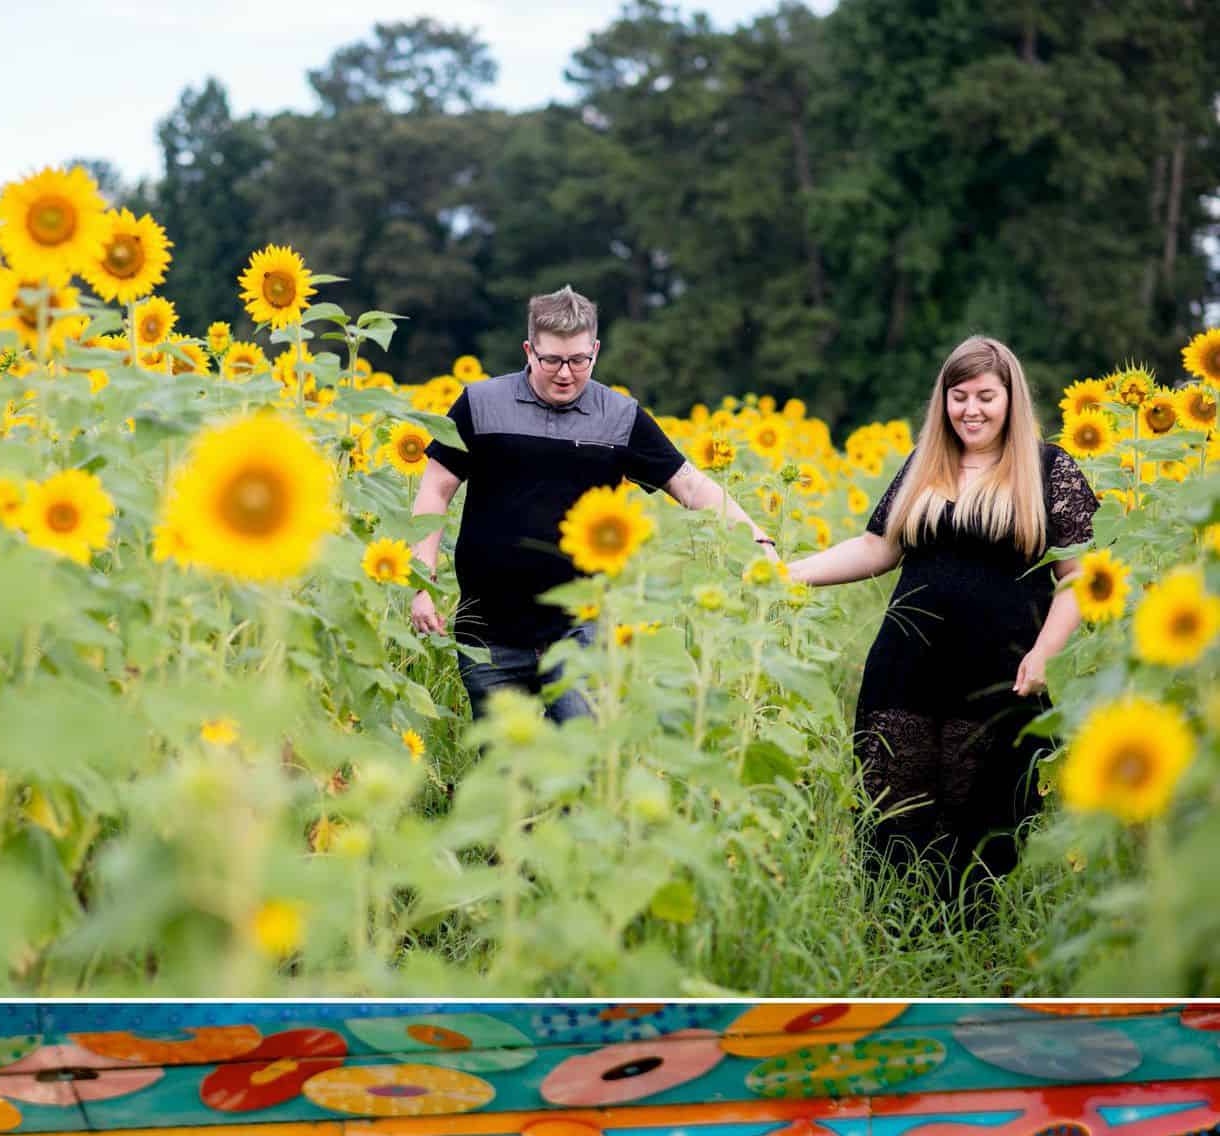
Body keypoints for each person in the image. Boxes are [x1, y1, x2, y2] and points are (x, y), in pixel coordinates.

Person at [787, 336, 1098, 900]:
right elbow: (876, 549)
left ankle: (968, 936)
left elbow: (1078, 576)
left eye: (985, 396)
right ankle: (888, 932)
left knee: (979, 824)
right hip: (905, 666)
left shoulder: (1048, 468)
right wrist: (788, 574)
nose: (970, 410)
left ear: (1010, 398)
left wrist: (1045, 653)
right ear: (944, 400)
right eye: (959, 397)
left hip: (999, 674)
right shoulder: (925, 464)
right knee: (890, 813)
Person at [408, 283, 779, 722]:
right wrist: (421, 582)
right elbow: (436, 489)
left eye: (579, 360)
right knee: (503, 759)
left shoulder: (620, 417)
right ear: (529, 350)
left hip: (581, 630)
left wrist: (756, 539)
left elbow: (691, 486)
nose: (565, 373)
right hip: (489, 631)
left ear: (595, 351)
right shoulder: (480, 405)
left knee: (582, 752)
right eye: (551, 360)